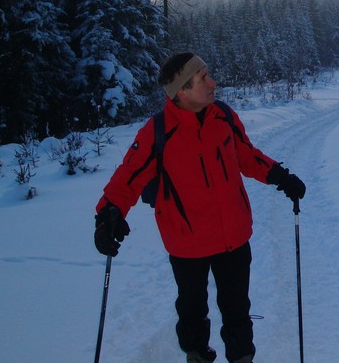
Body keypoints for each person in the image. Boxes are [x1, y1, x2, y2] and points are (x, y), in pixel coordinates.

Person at [93, 52, 306, 363]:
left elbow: (246, 155)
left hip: (233, 235)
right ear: (182, 90)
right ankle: (197, 356)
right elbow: (128, 177)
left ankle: (242, 358)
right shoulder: (157, 132)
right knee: (191, 310)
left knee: (237, 309)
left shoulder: (224, 116)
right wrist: (107, 215)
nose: (212, 82)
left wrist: (279, 176)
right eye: (203, 78)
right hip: (187, 242)